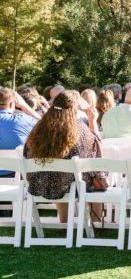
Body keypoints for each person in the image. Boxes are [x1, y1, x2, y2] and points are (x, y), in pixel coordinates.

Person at [23, 90, 106, 223]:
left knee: (61, 173)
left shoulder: (38, 128)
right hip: (68, 185)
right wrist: (93, 121)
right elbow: (94, 150)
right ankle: (96, 221)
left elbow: (26, 154)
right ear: (74, 109)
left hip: (40, 184)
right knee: (93, 174)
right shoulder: (80, 129)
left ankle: (64, 221)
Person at [0, 88, 38, 177]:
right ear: (11, 104)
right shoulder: (22, 120)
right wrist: (24, 106)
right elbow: (46, 124)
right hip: (16, 174)